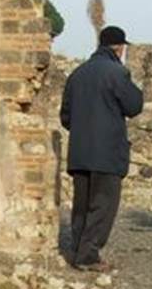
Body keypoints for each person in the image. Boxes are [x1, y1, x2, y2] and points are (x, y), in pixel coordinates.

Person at [60, 25, 144, 271]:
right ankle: (88, 256)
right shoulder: (117, 73)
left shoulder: (77, 74)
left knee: (82, 205)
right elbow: (134, 105)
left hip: (80, 152)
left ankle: (77, 251)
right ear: (119, 48)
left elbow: (65, 117)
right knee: (103, 206)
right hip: (107, 152)